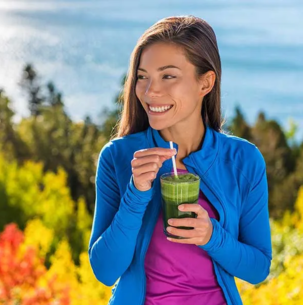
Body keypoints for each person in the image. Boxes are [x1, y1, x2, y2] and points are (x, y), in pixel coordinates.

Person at [88, 15, 272, 305]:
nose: (149, 91)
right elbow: (105, 270)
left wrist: (213, 236)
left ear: (206, 82)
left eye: (168, 75)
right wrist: (135, 195)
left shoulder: (243, 160)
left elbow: (258, 268)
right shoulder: (118, 157)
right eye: (142, 76)